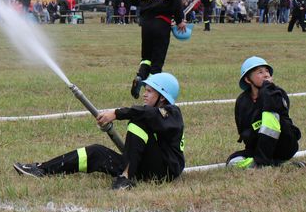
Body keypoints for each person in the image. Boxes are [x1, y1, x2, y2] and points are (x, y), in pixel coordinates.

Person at [13, 73, 185, 190]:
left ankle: (125, 179)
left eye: (149, 91)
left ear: (162, 97)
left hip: (164, 172)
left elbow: (146, 113)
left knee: (137, 121)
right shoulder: (155, 114)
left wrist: (115, 114)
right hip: (142, 167)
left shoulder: (172, 113)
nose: (144, 95)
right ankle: (42, 169)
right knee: (96, 152)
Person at [226, 57, 302, 168]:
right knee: (232, 162)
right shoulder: (242, 101)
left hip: (283, 145)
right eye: (260, 72)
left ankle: (263, 162)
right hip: (258, 147)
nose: (266, 75)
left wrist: (267, 89)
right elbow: (244, 132)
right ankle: (275, 164)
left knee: (270, 115)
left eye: (267, 71)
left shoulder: (277, 93)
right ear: (248, 79)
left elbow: (273, 117)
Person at [128, 0, 186, 99]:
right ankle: (152, 90)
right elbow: (176, 1)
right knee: (157, 60)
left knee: (146, 57)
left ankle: (140, 76)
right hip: (161, 24)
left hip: (146, 25)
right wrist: (180, 20)